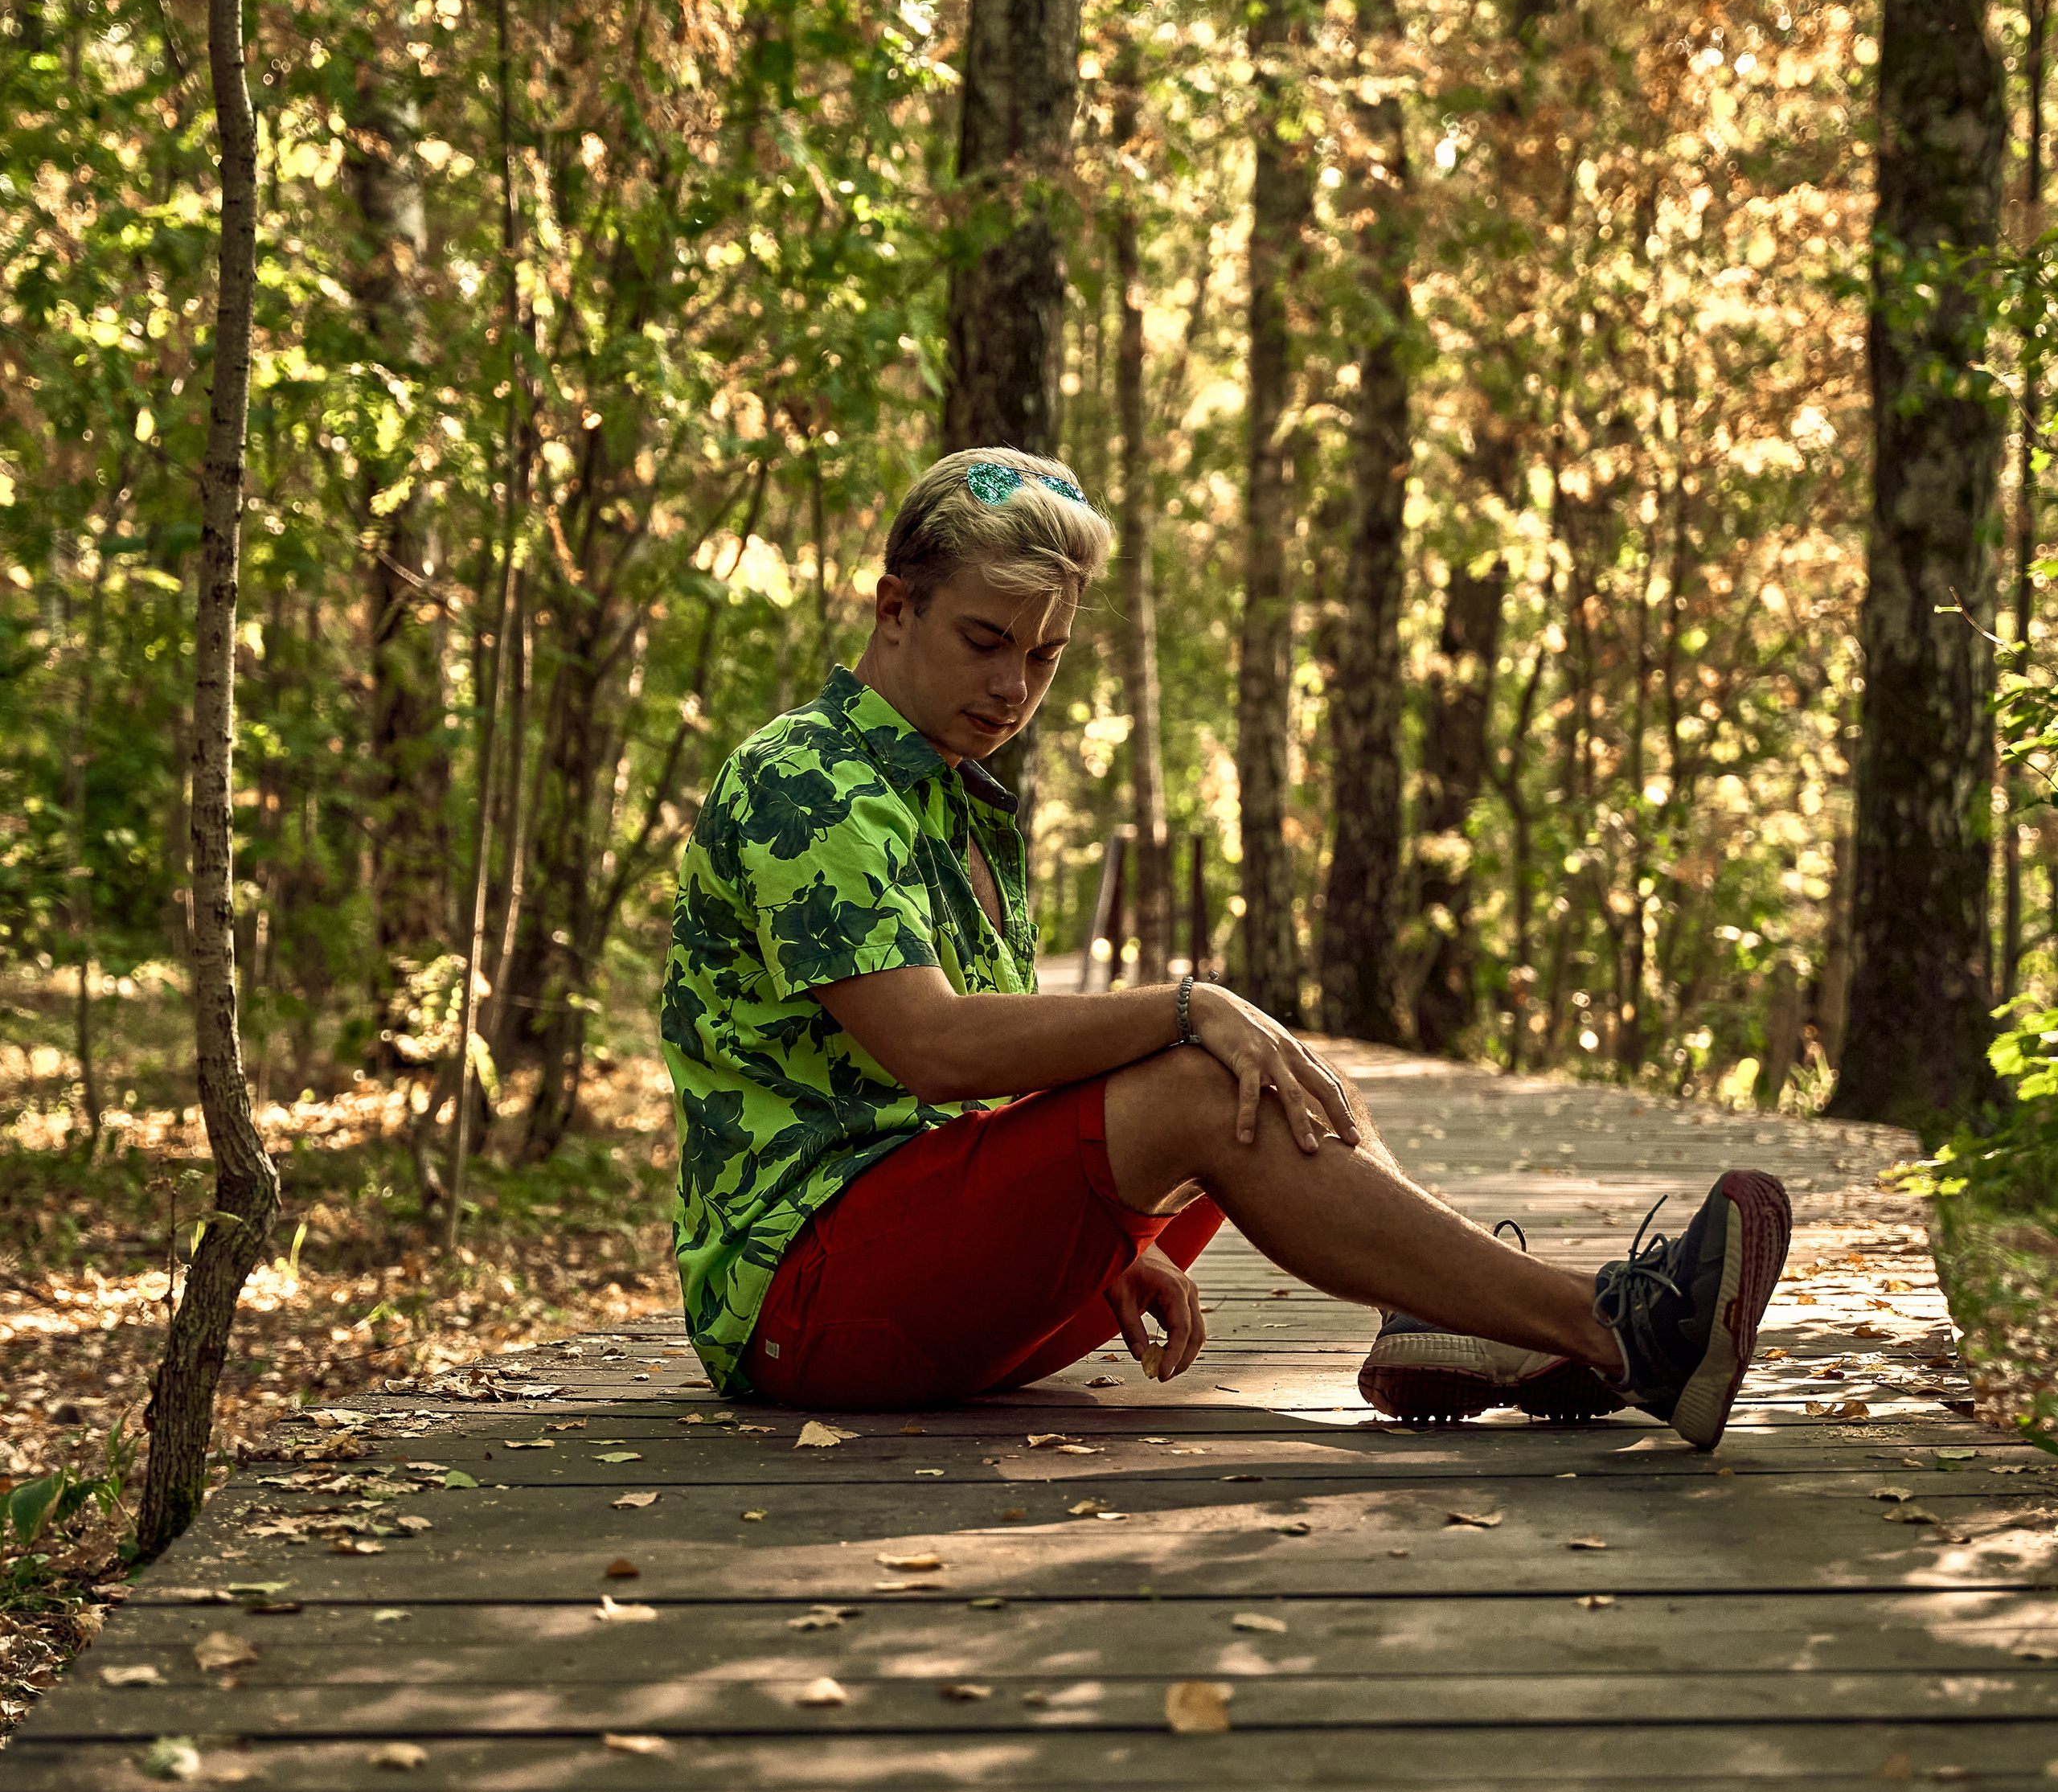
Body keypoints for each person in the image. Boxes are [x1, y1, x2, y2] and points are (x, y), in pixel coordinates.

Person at [659, 445, 1790, 1449]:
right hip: (800, 1310)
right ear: (893, 606)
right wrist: (1189, 1002)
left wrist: (1090, 1236)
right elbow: (933, 1049)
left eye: (1046, 656)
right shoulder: (802, 779)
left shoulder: (957, 801)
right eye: (986, 641)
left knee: (1266, 1069)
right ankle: (1613, 1329)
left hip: (914, 1285)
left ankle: (1463, 1324)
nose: (1014, 688)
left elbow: (963, 1113)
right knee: (1210, 1067)